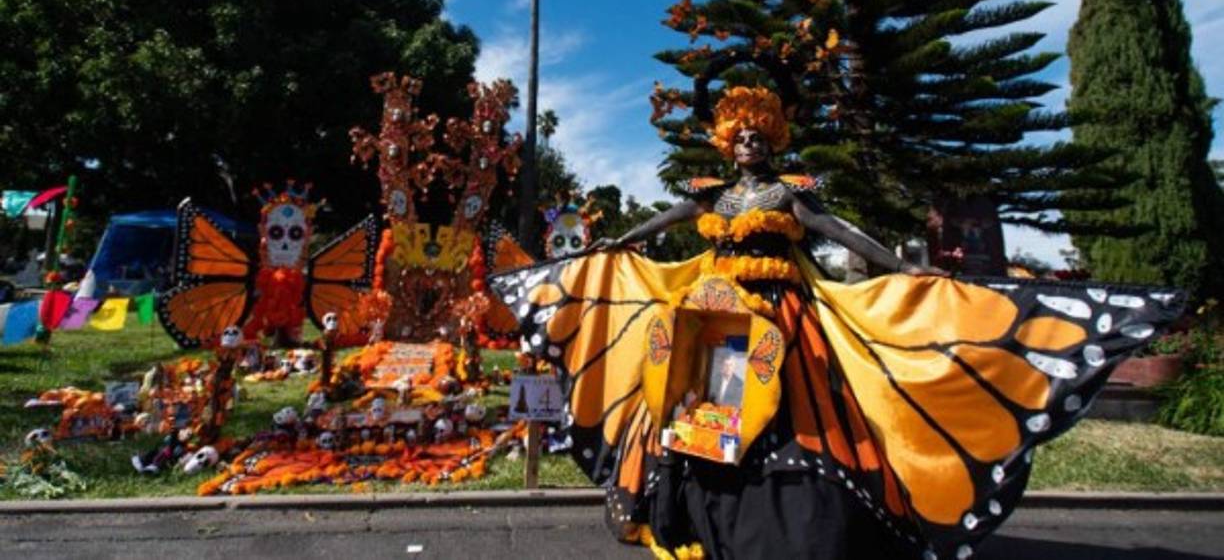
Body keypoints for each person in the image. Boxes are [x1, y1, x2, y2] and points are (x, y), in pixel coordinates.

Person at [490, 81, 1183, 560]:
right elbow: (665, 221)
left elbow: (846, 236)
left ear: (773, 144)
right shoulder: (713, 195)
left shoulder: (791, 196)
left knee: (798, 413)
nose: (749, 146)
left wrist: (905, 270)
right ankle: (685, 510)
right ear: (727, 144)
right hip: (709, 319)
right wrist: (617, 243)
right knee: (694, 412)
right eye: (740, 138)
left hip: (785, 323)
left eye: (760, 138)